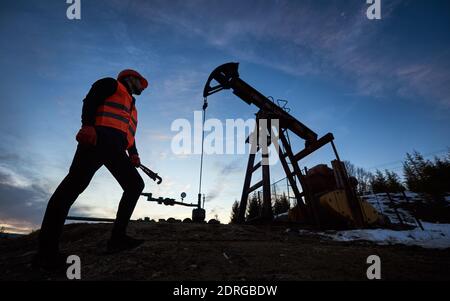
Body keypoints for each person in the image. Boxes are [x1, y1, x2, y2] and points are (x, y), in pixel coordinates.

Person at [33, 69, 149, 271]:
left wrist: (134, 152)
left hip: (115, 146)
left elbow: (127, 131)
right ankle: (46, 254)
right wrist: (87, 126)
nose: (143, 87)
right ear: (131, 78)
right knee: (70, 189)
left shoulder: (131, 105)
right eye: (141, 83)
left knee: (135, 185)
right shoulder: (110, 84)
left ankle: (117, 239)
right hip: (98, 139)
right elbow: (90, 100)